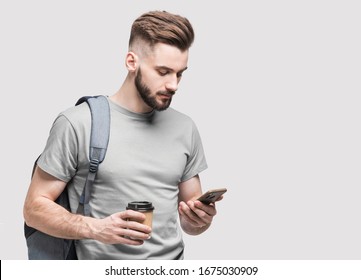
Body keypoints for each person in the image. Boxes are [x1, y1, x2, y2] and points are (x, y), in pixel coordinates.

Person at [23, 10, 219, 260]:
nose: (174, 85)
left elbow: (191, 224)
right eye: (163, 72)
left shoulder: (185, 128)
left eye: (180, 73)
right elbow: (33, 209)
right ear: (131, 62)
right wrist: (96, 228)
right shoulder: (78, 123)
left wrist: (200, 219)